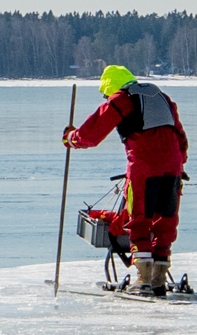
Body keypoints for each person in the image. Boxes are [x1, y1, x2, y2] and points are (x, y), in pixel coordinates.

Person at [65, 65, 189, 294]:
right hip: (173, 167)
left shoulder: (122, 99)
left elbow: (93, 133)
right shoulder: (162, 98)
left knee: (139, 219)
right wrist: (179, 162)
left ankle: (142, 278)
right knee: (165, 221)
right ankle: (158, 279)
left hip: (144, 166)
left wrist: (72, 138)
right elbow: (180, 136)